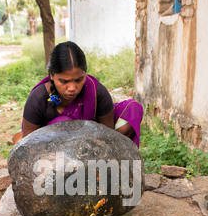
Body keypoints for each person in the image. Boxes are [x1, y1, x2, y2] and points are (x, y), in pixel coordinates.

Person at [13, 41, 143, 146]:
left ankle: (114, 155)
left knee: (133, 109)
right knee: (64, 122)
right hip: (51, 145)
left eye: (79, 79)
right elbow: (28, 143)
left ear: (85, 73)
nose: (72, 88)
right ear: (51, 75)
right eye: (64, 81)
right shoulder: (38, 98)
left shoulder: (96, 92)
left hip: (92, 137)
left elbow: (106, 133)